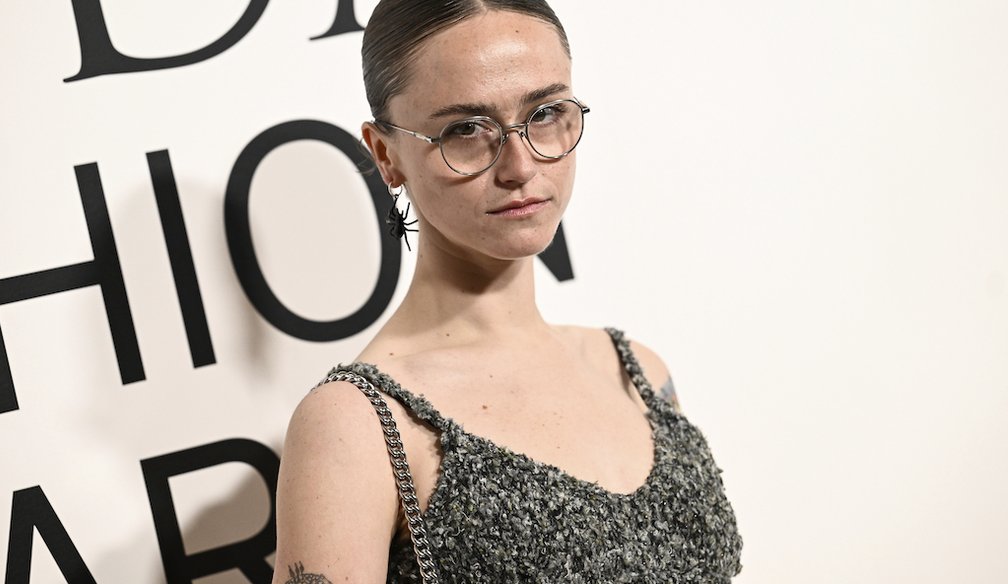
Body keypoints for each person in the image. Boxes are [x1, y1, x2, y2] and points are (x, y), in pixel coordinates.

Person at [272, 1, 742, 582]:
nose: (520, 165)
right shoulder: (360, 423)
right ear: (386, 155)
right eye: (465, 130)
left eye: (544, 112)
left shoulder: (637, 370)